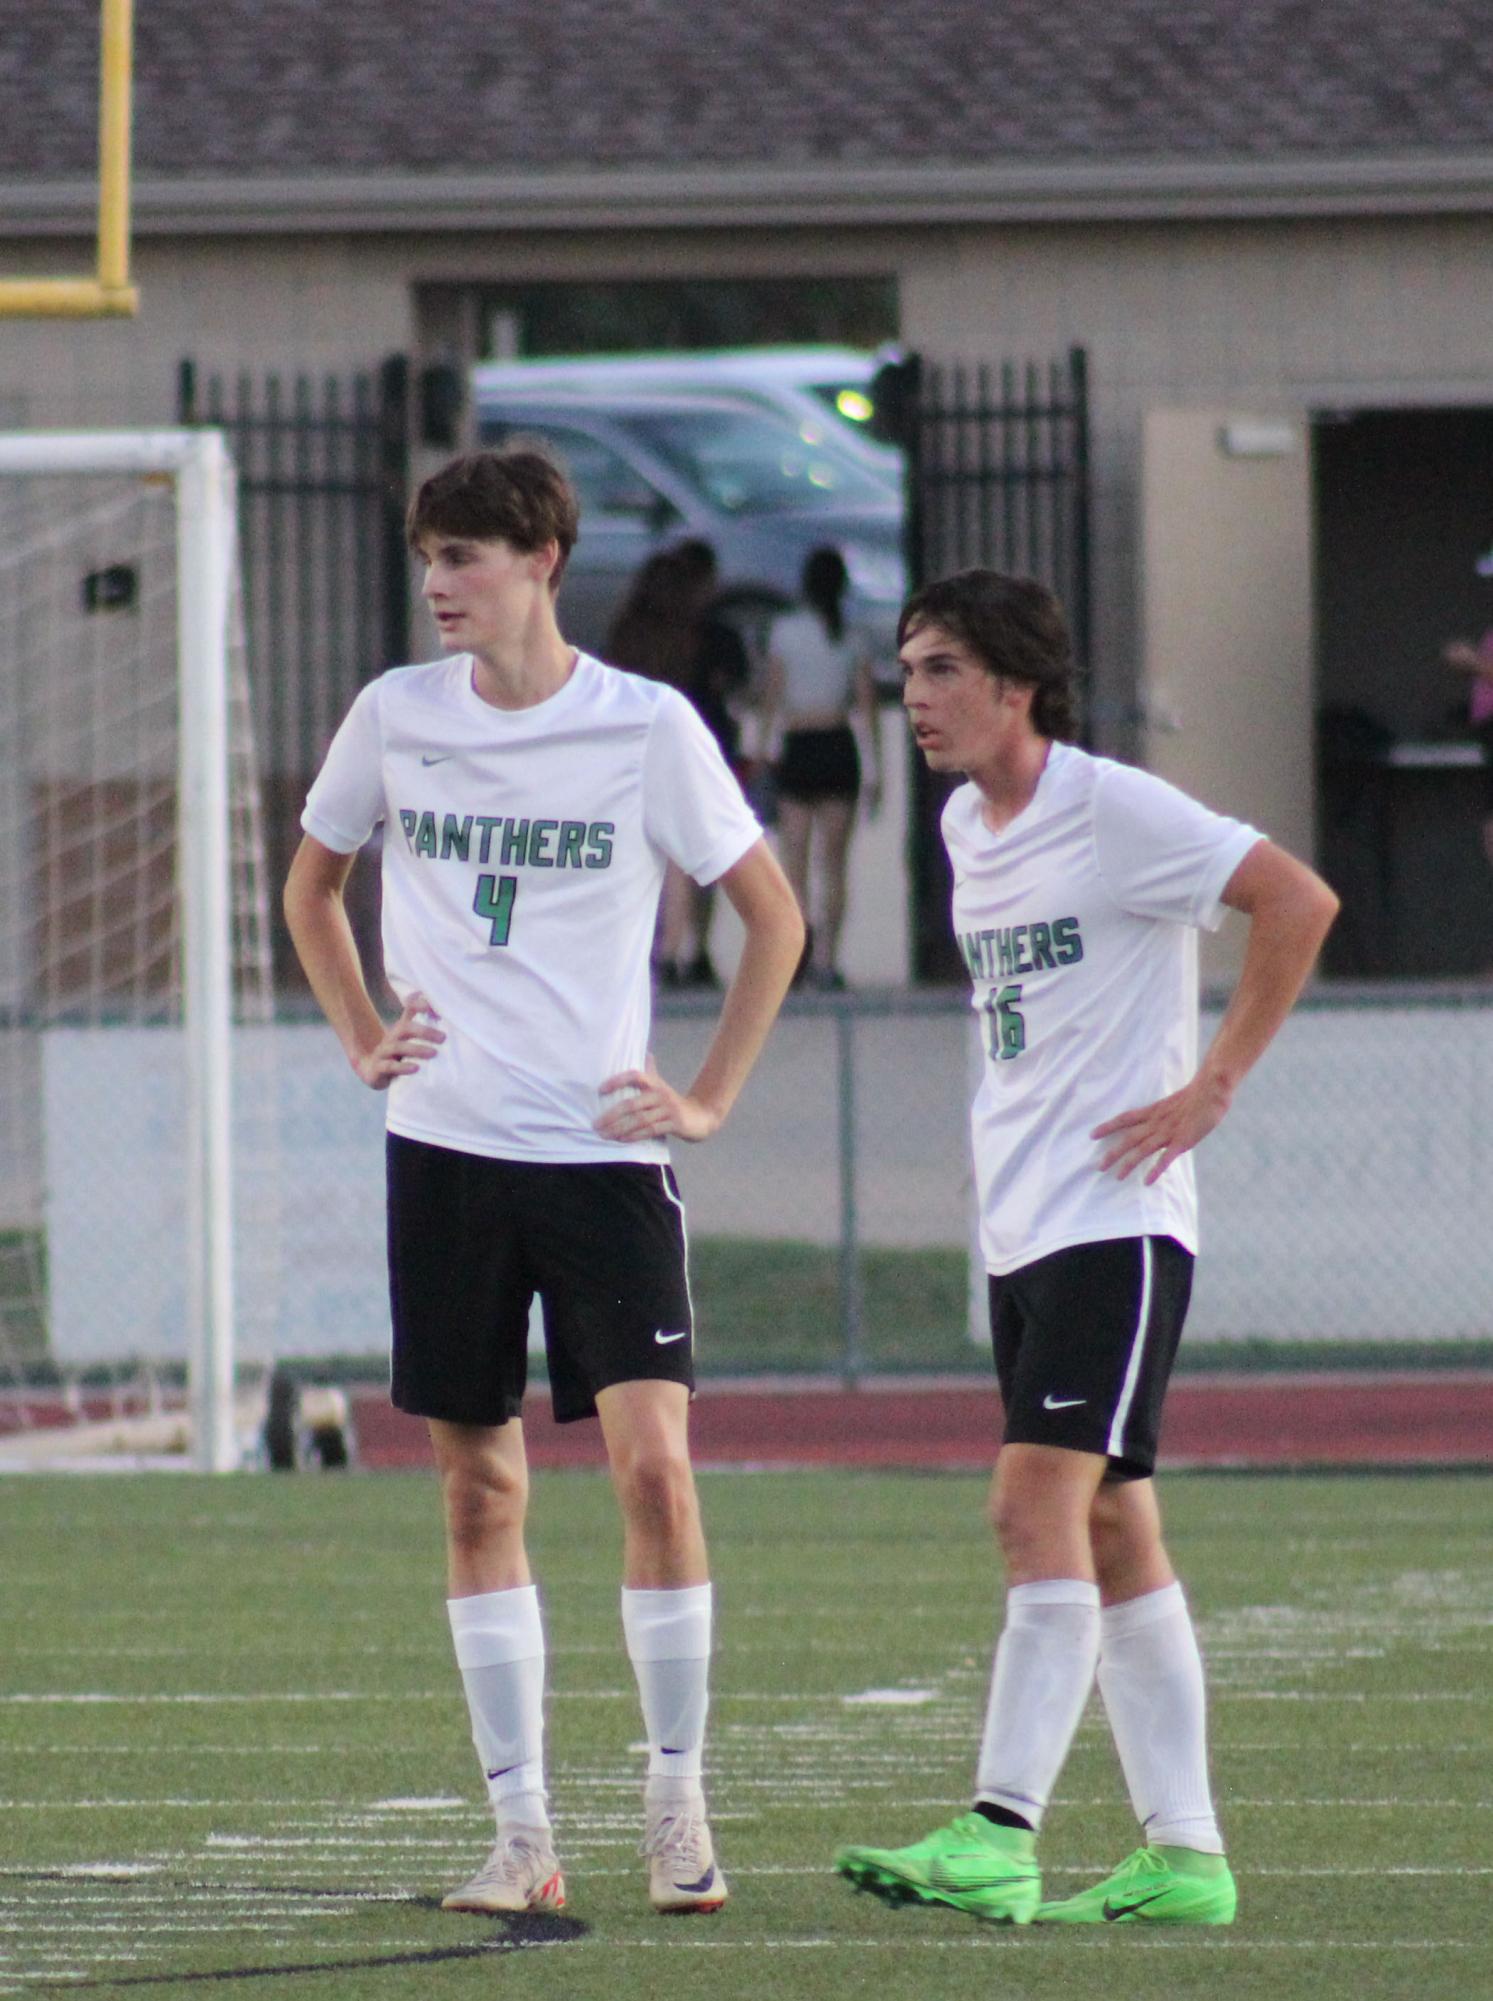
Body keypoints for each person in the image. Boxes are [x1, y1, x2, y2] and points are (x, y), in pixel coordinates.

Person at [283, 446, 803, 1920]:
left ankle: (676, 1801)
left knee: (654, 1469)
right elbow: (310, 885)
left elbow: (771, 921)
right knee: (477, 1485)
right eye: (430, 558)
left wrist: (703, 1096)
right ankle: (520, 1834)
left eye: (466, 557)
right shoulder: (394, 714)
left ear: (544, 562)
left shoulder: (646, 728)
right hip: (444, 1151)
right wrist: (367, 1039)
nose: (440, 585)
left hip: (603, 1160)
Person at [834, 569, 1338, 1927]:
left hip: (1117, 1221)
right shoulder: (958, 824)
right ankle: (1186, 1856)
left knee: (1029, 1504)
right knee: (1113, 1524)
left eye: (939, 669)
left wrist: (1211, 1083)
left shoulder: (1114, 806)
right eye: (908, 668)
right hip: (1025, 1224)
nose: (915, 697)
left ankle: (1001, 1827)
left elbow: (1297, 901)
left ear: (1014, 683)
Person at [607, 543, 753, 988]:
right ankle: (692, 948)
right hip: (704, 754)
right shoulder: (710, 636)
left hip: (632, 756)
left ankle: (661, 948)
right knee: (702, 857)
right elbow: (739, 690)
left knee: (653, 857)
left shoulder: (628, 634)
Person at [762, 546, 883, 989]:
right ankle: (827, 960)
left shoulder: (784, 632)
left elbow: (771, 697)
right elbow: (866, 707)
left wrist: (761, 747)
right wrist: (875, 770)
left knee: (793, 861)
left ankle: (798, 951)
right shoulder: (853, 638)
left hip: (798, 745)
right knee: (833, 865)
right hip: (837, 746)